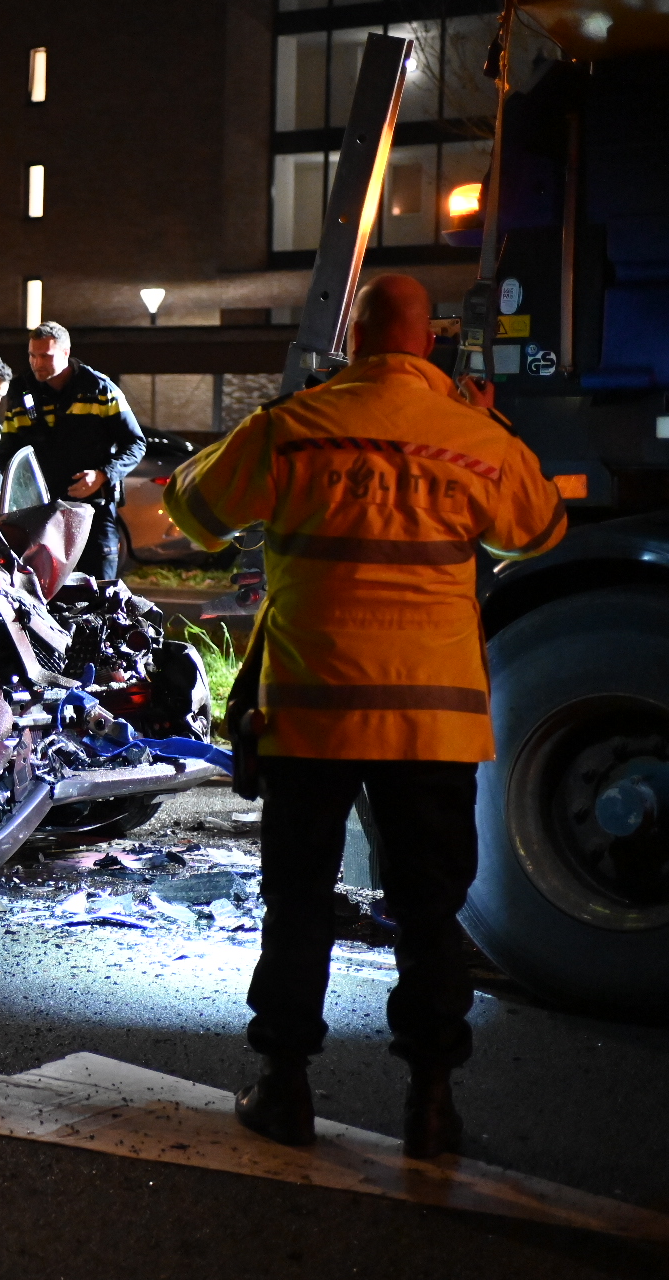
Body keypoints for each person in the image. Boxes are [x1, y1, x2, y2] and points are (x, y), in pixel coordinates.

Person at [163, 275, 567, 1160]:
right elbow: (537, 530)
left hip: (313, 716)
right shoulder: (473, 439)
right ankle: (432, 1103)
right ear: (430, 343)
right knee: (430, 911)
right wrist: (489, 422)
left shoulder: (294, 428)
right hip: (432, 723)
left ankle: (285, 1088)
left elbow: (193, 507)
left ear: (351, 335)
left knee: (298, 901)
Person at [0, 322, 145, 577]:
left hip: (92, 513)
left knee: (99, 589)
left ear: (66, 353)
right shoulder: (22, 393)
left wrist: (103, 475)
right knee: (38, 593)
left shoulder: (99, 389)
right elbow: (9, 455)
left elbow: (135, 443)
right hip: (41, 514)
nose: (37, 363)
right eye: (32, 355)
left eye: (46, 356)